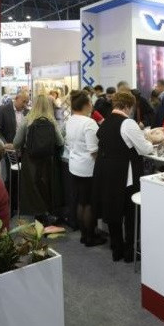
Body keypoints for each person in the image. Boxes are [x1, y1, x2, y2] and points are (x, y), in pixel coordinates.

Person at [94, 91, 154, 262]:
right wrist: (151, 141)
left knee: (113, 212)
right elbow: (144, 149)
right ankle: (129, 251)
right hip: (125, 175)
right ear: (128, 106)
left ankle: (116, 249)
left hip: (107, 173)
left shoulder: (105, 122)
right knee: (130, 214)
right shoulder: (128, 123)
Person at [13, 94, 64, 225]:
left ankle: (40, 214)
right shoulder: (52, 121)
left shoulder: (27, 120)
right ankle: (46, 214)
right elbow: (60, 142)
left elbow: (16, 142)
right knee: (45, 187)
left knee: (32, 187)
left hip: (30, 160)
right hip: (47, 160)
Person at [65, 90, 105, 247]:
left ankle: (84, 235)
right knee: (88, 203)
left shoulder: (71, 120)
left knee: (81, 202)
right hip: (88, 167)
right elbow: (93, 150)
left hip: (75, 165)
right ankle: (90, 236)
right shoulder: (89, 123)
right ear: (87, 104)